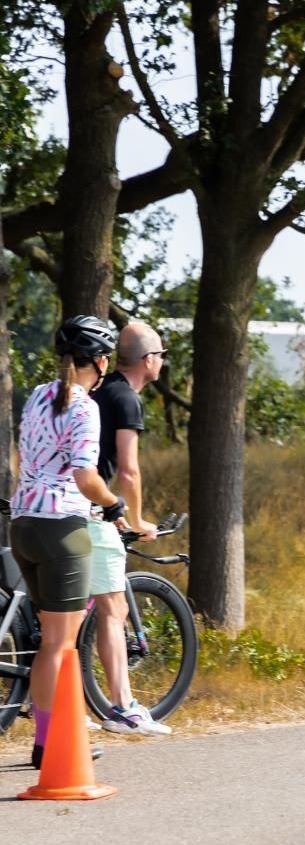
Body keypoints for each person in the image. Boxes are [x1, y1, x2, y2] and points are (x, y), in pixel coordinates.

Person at [10, 316, 126, 769]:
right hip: (62, 529)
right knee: (61, 644)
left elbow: (25, 457)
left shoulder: (39, 394)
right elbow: (85, 475)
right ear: (98, 361)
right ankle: (64, 743)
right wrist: (113, 504)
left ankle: (44, 743)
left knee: (49, 642)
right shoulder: (85, 406)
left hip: (24, 524)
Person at [88, 321, 172, 736]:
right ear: (148, 360)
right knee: (113, 609)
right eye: (161, 354)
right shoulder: (126, 400)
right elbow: (129, 470)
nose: (163, 361)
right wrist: (137, 521)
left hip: (70, 505)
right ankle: (122, 706)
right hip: (92, 508)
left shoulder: (100, 391)